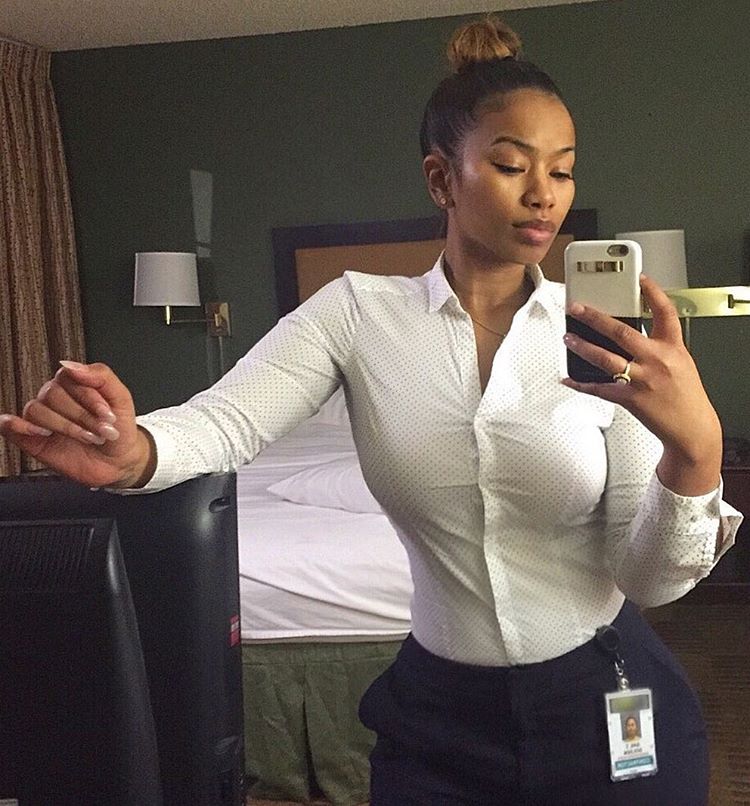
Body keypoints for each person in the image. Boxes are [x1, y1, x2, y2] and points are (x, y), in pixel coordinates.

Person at [0, 14, 741, 806]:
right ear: (441, 179)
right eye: (510, 164)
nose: (543, 194)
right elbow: (225, 421)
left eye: (563, 171)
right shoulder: (356, 314)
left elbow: (650, 580)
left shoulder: (603, 339)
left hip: (604, 695)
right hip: (441, 719)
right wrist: (136, 451)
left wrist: (694, 453)